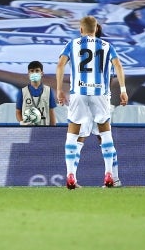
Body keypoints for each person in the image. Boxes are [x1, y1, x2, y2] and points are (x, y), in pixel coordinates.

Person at [56, 16, 128, 189]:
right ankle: (109, 174)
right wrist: (123, 90)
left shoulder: (72, 44)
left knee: (73, 132)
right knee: (105, 132)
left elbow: (60, 66)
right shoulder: (107, 46)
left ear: (81, 30)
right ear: (96, 29)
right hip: (100, 93)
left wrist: (59, 90)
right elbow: (118, 66)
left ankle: (70, 175)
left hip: (78, 93)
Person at [16, 60, 57, 126]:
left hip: (44, 128)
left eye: (37, 71)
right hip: (27, 128)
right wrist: (21, 122)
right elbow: (18, 112)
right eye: (32, 71)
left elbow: (51, 112)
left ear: (42, 73)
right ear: (28, 74)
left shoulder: (48, 90)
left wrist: (53, 128)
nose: (34, 73)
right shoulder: (22, 92)